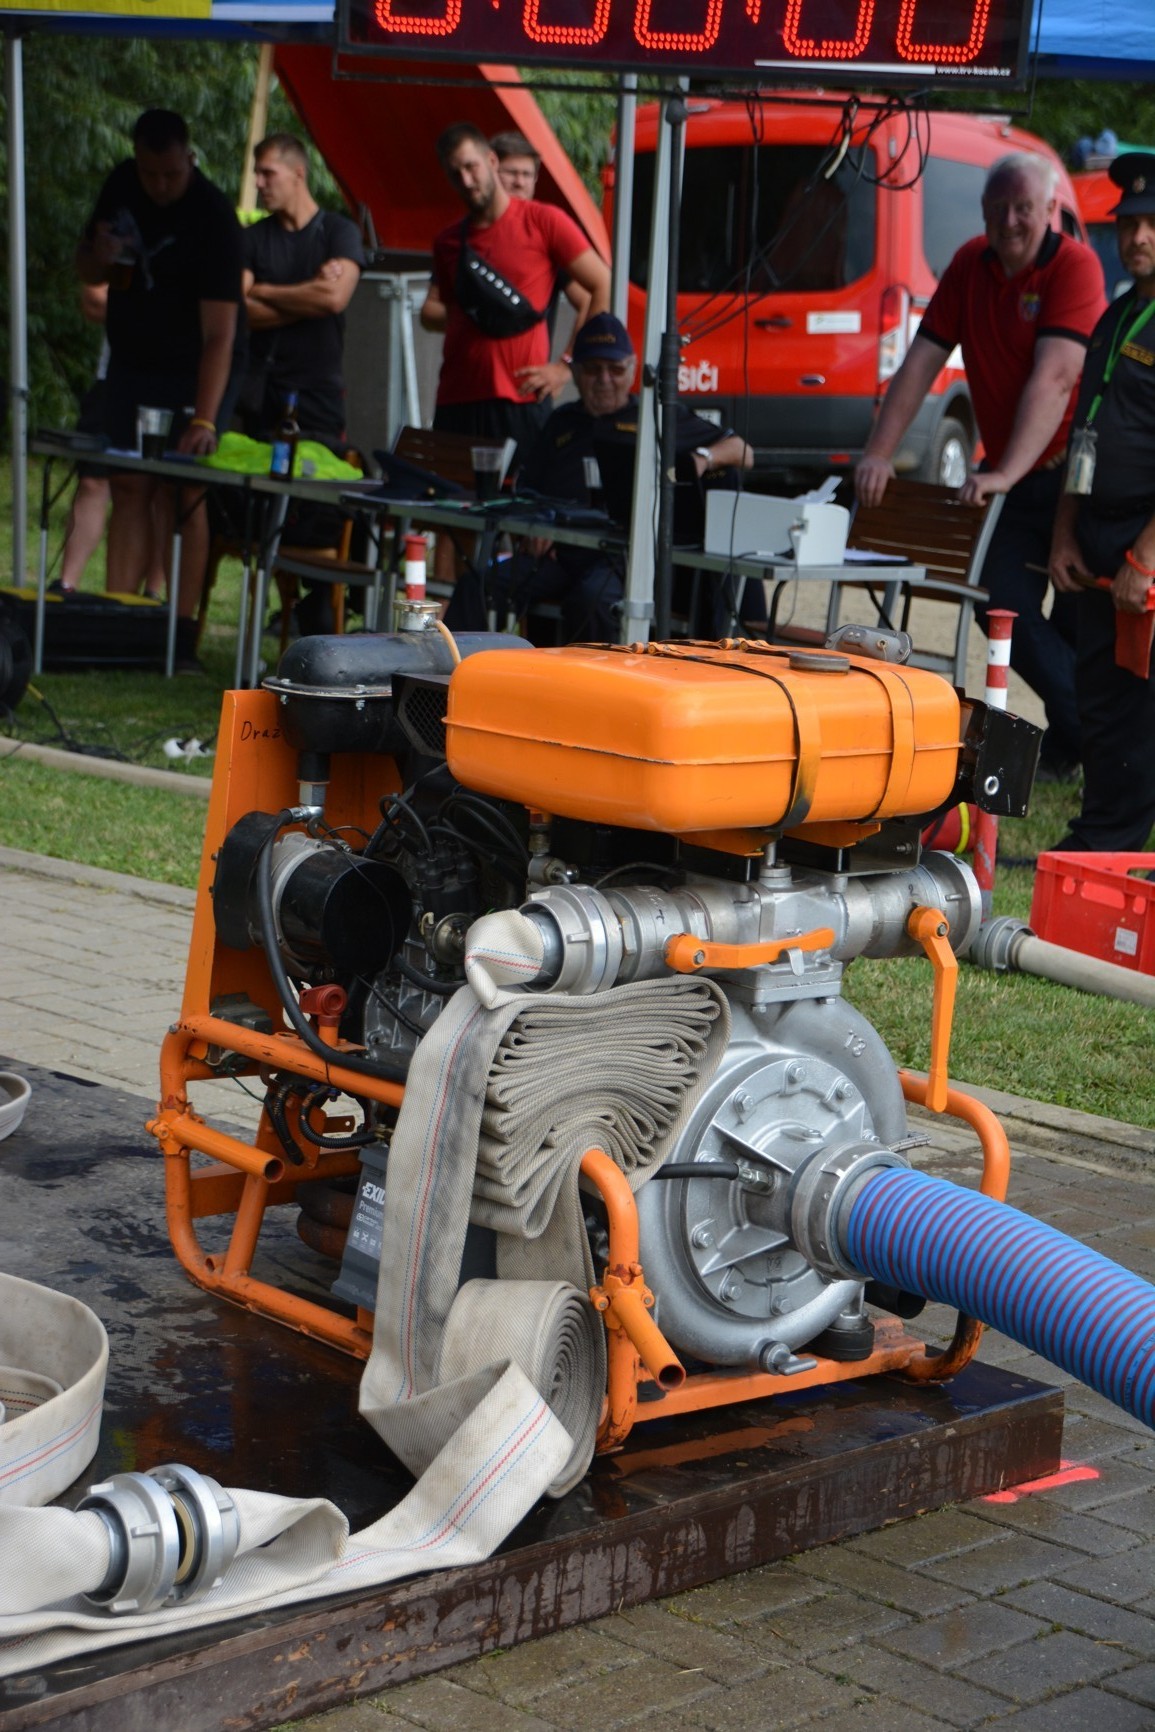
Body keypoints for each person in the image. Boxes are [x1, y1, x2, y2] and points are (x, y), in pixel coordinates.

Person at [856, 153, 1105, 780]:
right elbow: (920, 361)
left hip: (1075, 477)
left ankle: (1079, 748)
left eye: (1023, 208)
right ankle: (1093, 734)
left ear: (1051, 210)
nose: (1010, 221)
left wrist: (1003, 472)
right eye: (998, 209)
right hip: (1012, 474)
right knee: (999, 601)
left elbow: (1057, 378)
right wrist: (879, 452)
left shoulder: (1075, 266)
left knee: (1079, 617)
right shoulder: (970, 263)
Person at [76, 109, 244, 671]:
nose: (160, 185)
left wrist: (205, 418)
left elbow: (221, 335)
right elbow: (86, 271)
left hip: (195, 367)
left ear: (188, 157)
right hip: (131, 361)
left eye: (171, 173)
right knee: (128, 484)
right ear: (137, 160)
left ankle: (181, 633)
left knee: (183, 494)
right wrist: (97, 258)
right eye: (150, 173)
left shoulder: (213, 216)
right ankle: (117, 622)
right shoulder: (121, 185)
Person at [483, 312, 753, 641]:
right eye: (593, 369)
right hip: (559, 554)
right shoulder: (562, 421)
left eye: (615, 369)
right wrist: (536, 527)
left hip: (620, 557)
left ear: (633, 369)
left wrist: (702, 459)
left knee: (594, 601)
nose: (604, 379)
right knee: (481, 582)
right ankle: (453, 668)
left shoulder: (655, 416)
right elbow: (527, 490)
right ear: (576, 373)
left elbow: (743, 451)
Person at [1049, 154, 1155, 851]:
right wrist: (1063, 532)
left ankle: (1114, 843)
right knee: (1098, 695)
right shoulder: (1115, 317)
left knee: (1138, 704)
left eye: (1151, 225)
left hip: (1142, 543)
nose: (1137, 236)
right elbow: (1081, 434)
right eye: (1128, 224)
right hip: (1093, 536)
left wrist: (1144, 557)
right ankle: (1097, 829)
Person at [420, 121, 610, 458]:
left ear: (490, 161)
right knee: (450, 492)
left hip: (520, 399)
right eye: (455, 173)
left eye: (471, 167)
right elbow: (441, 312)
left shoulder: (545, 221)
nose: (467, 180)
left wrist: (567, 366)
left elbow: (603, 284)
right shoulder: (447, 242)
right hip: (456, 399)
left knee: (525, 491)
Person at [240, 132, 366, 634]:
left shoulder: (338, 232)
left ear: (298, 173)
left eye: (267, 172)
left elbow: (334, 300)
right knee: (263, 501)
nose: (259, 182)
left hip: (318, 392)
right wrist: (308, 293)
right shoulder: (253, 238)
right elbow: (240, 309)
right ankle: (284, 602)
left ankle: (317, 604)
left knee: (319, 501)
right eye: (257, 173)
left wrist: (266, 291)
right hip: (262, 390)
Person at [489, 130, 592, 403]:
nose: (519, 182)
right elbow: (433, 308)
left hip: (526, 391)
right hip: (470, 388)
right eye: (511, 173)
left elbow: (592, 297)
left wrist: (565, 366)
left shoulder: (546, 232)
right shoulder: (468, 232)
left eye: (527, 174)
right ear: (490, 172)